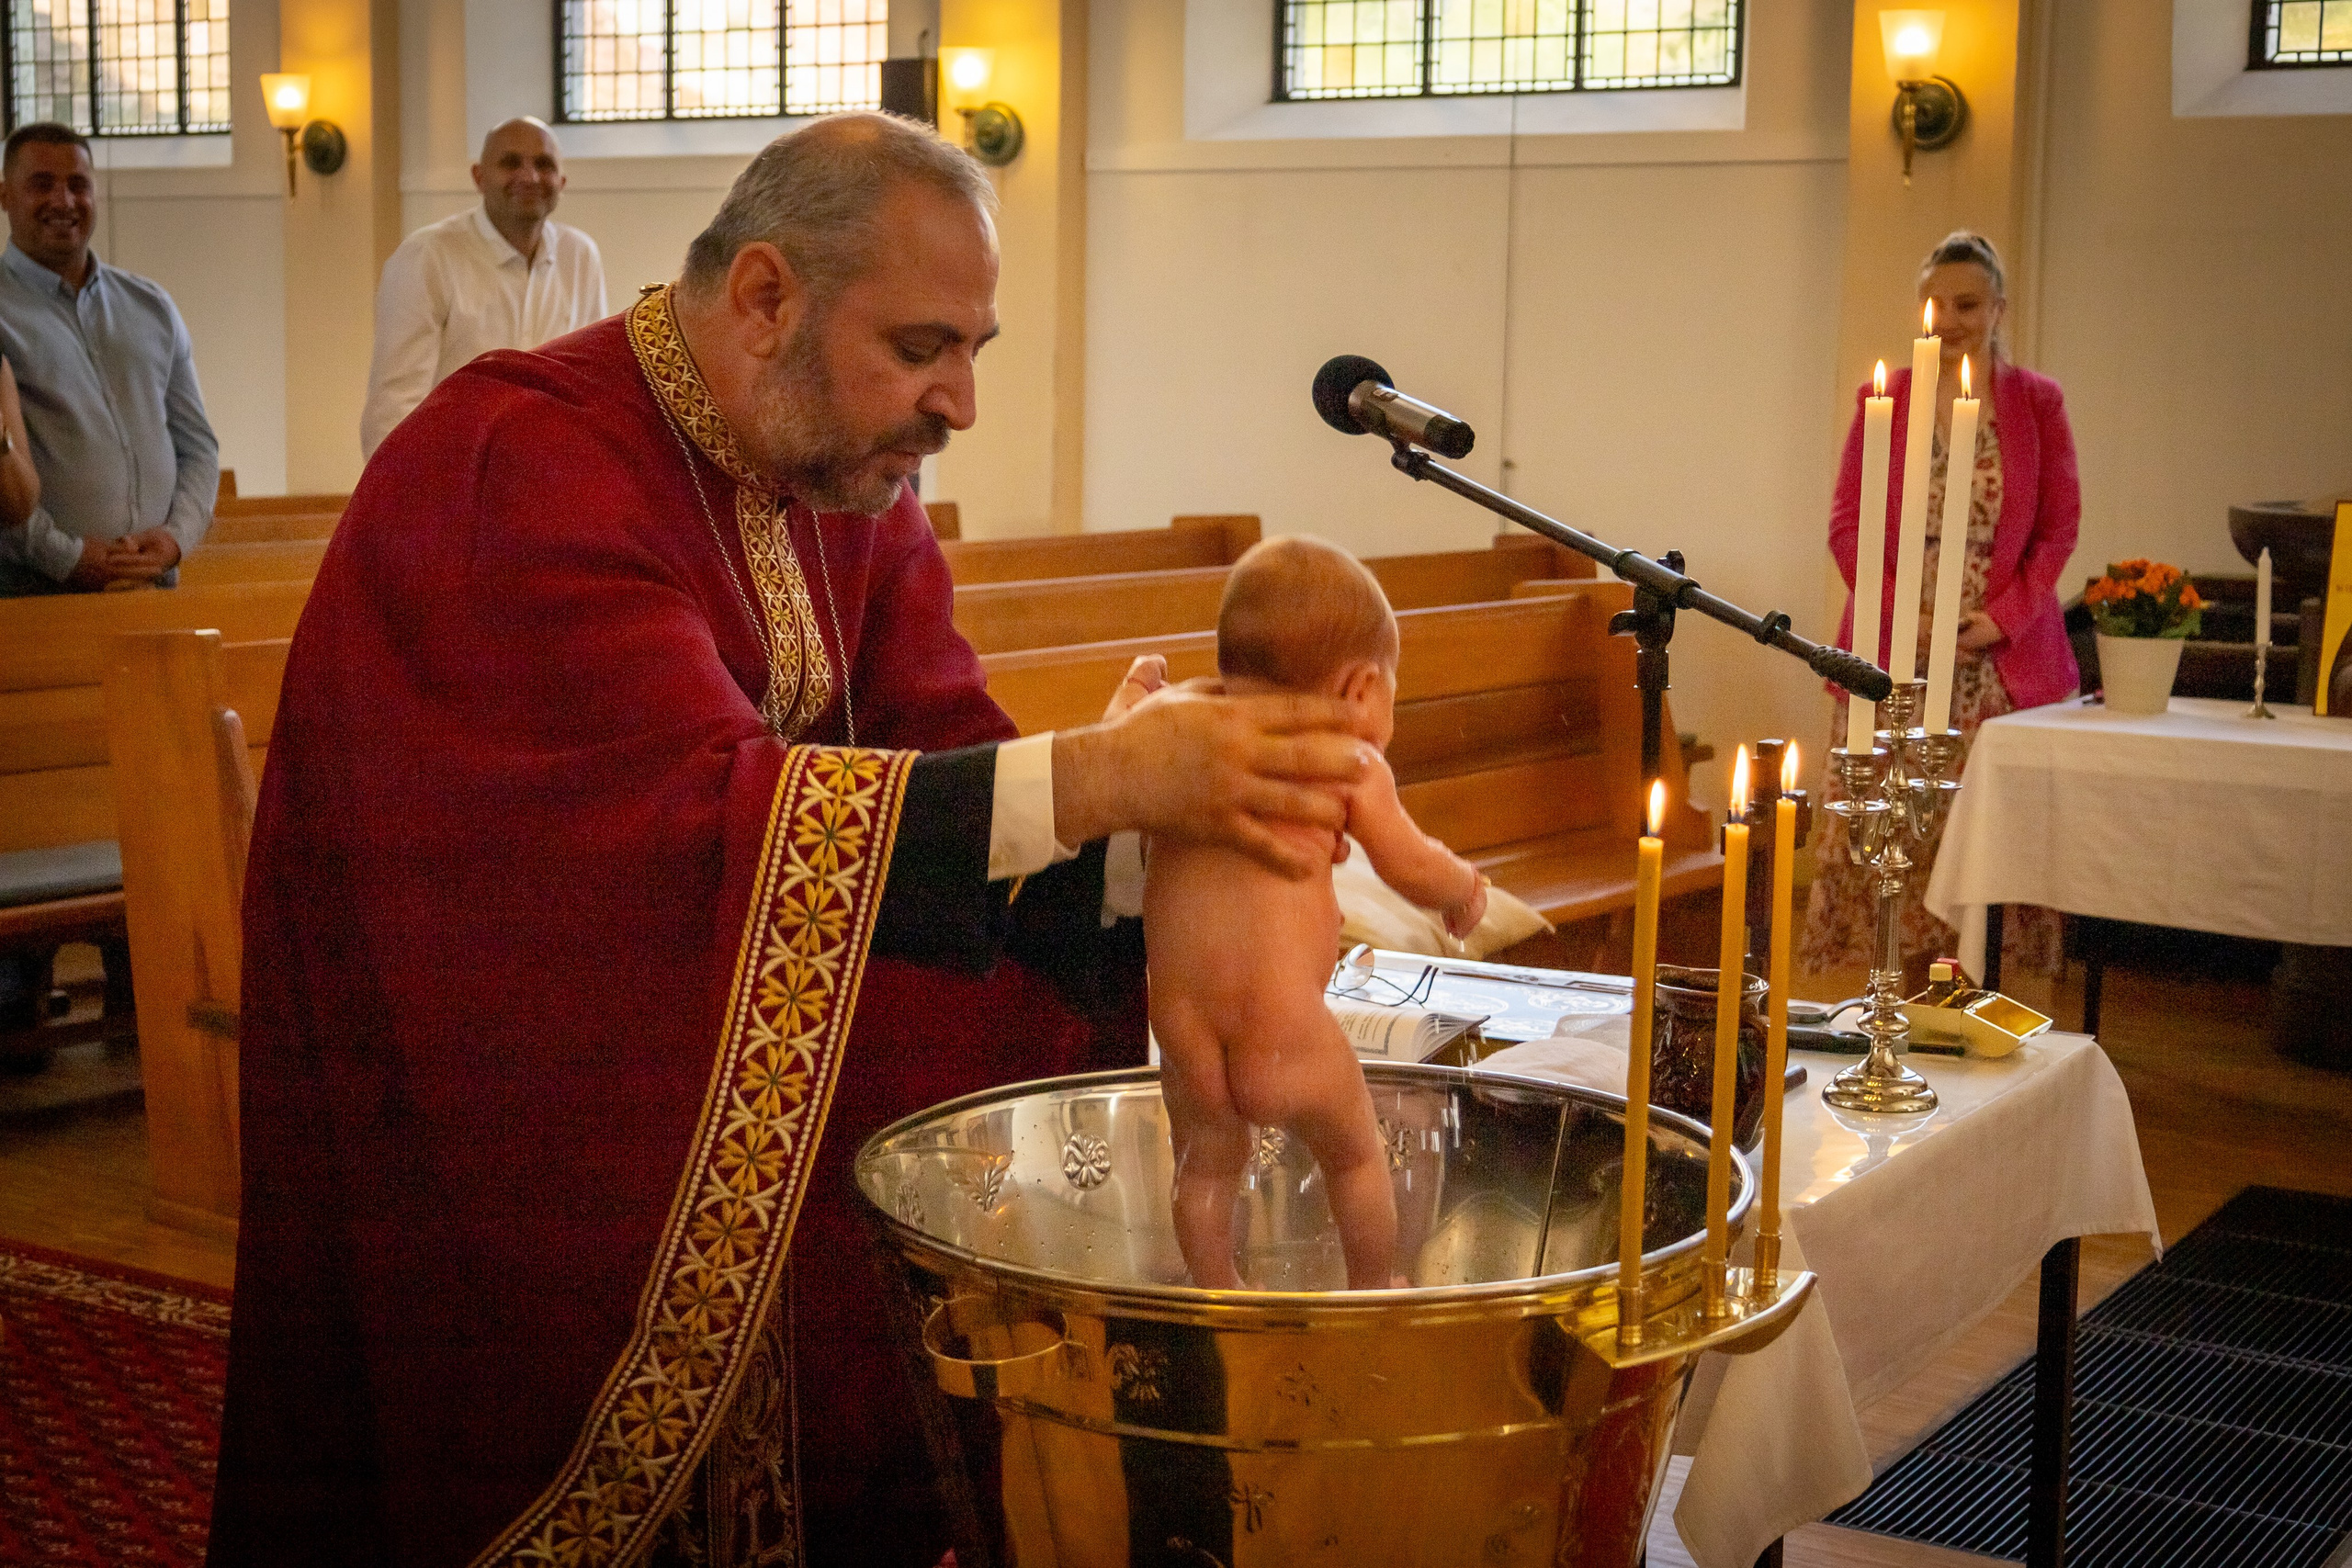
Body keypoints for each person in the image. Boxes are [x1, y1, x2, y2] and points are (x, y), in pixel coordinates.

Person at [205, 113, 1374, 1568]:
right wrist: (1096, 778)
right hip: (500, 1081)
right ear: (764, 299)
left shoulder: (841, 482)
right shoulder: (516, 461)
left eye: (977, 352)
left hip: (703, 1043)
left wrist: (1184, 849)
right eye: (924, 346)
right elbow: (680, 823)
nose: (958, 402)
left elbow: (947, 755)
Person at [1147, 537, 1487, 1292]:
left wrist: (1145, 690)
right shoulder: (1342, 757)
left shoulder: (1174, 738)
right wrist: (1463, 886)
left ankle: (1215, 1289)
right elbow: (1409, 862)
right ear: (1363, 687)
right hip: (1281, 1025)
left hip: (1181, 1028)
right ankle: (1371, 1288)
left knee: (1205, 1163)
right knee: (1356, 1151)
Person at [1801, 231, 2077, 986]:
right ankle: (1900, 994)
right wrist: (1902, 621)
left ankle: (1973, 995)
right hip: (1896, 651)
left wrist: (2003, 618)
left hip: (1994, 659)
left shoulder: (2036, 402)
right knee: (1895, 832)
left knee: (1978, 839)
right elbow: (1846, 523)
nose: (1952, 318)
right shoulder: (1883, 397)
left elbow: (2058, 529)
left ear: (1998, 309)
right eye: (1938, 303)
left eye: (1968, 303)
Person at [0, 121, 219, 596]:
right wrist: (68, 557)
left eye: (78, 185)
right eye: (42, 184)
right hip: (38, 600)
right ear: (4, 195)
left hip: (155, 590)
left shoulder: (152, 305)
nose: (64, 200)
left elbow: (198, 448)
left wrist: (175, 538)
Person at [359, 117, 608, 457]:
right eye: (510, 162)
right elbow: (396, 401)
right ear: (479, 177)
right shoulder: (427, 256)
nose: (530, 176)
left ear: (561, 182)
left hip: (549, 467)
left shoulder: (579, 255)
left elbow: (589, 383)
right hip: (456, 467)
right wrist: (399, 497)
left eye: (543, 164)